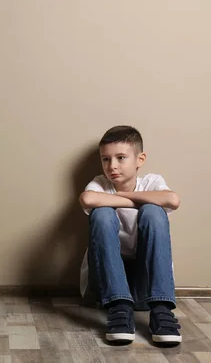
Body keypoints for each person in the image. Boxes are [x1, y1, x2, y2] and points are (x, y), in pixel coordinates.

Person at [78, 125, 182, 345]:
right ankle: (119, 307)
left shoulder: (152, 182)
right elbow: (87, 200)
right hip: (104, 286)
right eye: (106, 159)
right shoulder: (100, 184)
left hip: (145, 286)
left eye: (121, 157)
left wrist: (130, 198)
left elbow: (172, 200)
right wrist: (135, 199)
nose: (112, 166)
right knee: (102, 213)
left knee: (154, 212)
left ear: (140, 159)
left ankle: (161, 309)